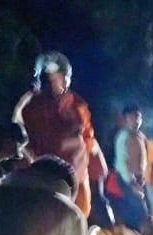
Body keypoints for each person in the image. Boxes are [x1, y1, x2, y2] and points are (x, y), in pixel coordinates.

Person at [16, 51, 104, 220]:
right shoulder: (30, 106)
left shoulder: (78, 104)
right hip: (47, 177)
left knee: (79, 217)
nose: (56, 82)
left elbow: (88, 135)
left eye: (60, 77)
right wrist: (30, 159)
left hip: (78, 173)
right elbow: (19, 137)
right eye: (50, 78)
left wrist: (95, 158)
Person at [107, 105, 149, 231]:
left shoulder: (141, 136)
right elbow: (122, 163)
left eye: (138, 117)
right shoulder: (123, 136)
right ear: (125, 119)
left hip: (139, 179)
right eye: (132, 117)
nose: (136, 120)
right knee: (138, 212)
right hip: (126, 180)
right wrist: (131, 183)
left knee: (138, 213)